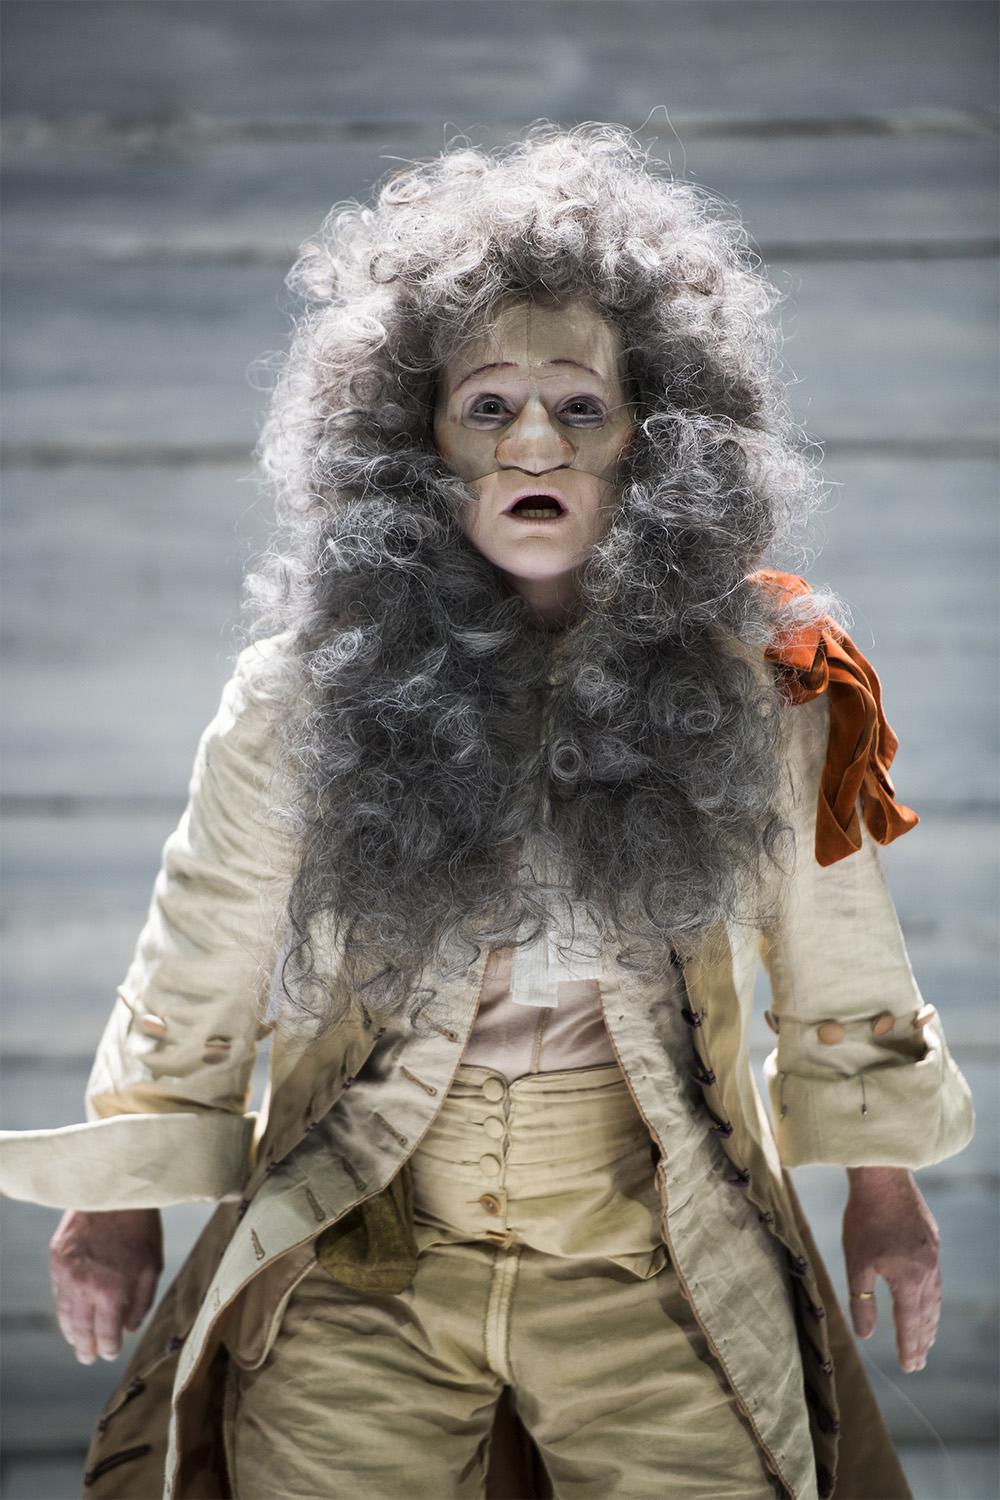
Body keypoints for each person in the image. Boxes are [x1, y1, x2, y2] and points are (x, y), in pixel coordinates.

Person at [0, 123, 975, 1500]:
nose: (533, 441)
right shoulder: (303, 695)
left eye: (579, 407)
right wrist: (117, 1198)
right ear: (416, 440)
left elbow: (840, 955)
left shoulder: (765, 687)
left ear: (654, 439)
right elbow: (201, 951)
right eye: (489, 405)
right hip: (365, 1235)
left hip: (646, 1247)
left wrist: (884, 1189)